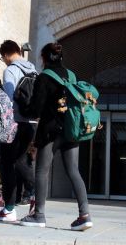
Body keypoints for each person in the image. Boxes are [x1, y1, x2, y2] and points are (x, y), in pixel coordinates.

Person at [18, 42, 93, 231]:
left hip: (50, 130)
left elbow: (35, 109)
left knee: (42, 171)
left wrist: (21, 102)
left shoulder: (44, 78)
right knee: (74, 171)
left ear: (44, 58)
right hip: (71, 129)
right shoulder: (72, 75)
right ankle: (85, 215)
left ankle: (39, 215)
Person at [0, 40, 38, 222]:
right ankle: (34, 195)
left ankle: (9, 208)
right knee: (22, 161)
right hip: (31, 123)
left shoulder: (10, 70)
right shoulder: (33, 70)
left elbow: (9, 100)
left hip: (15, 123)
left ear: (7, 54)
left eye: (3, 58)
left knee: (6, 164)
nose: (3, 61)